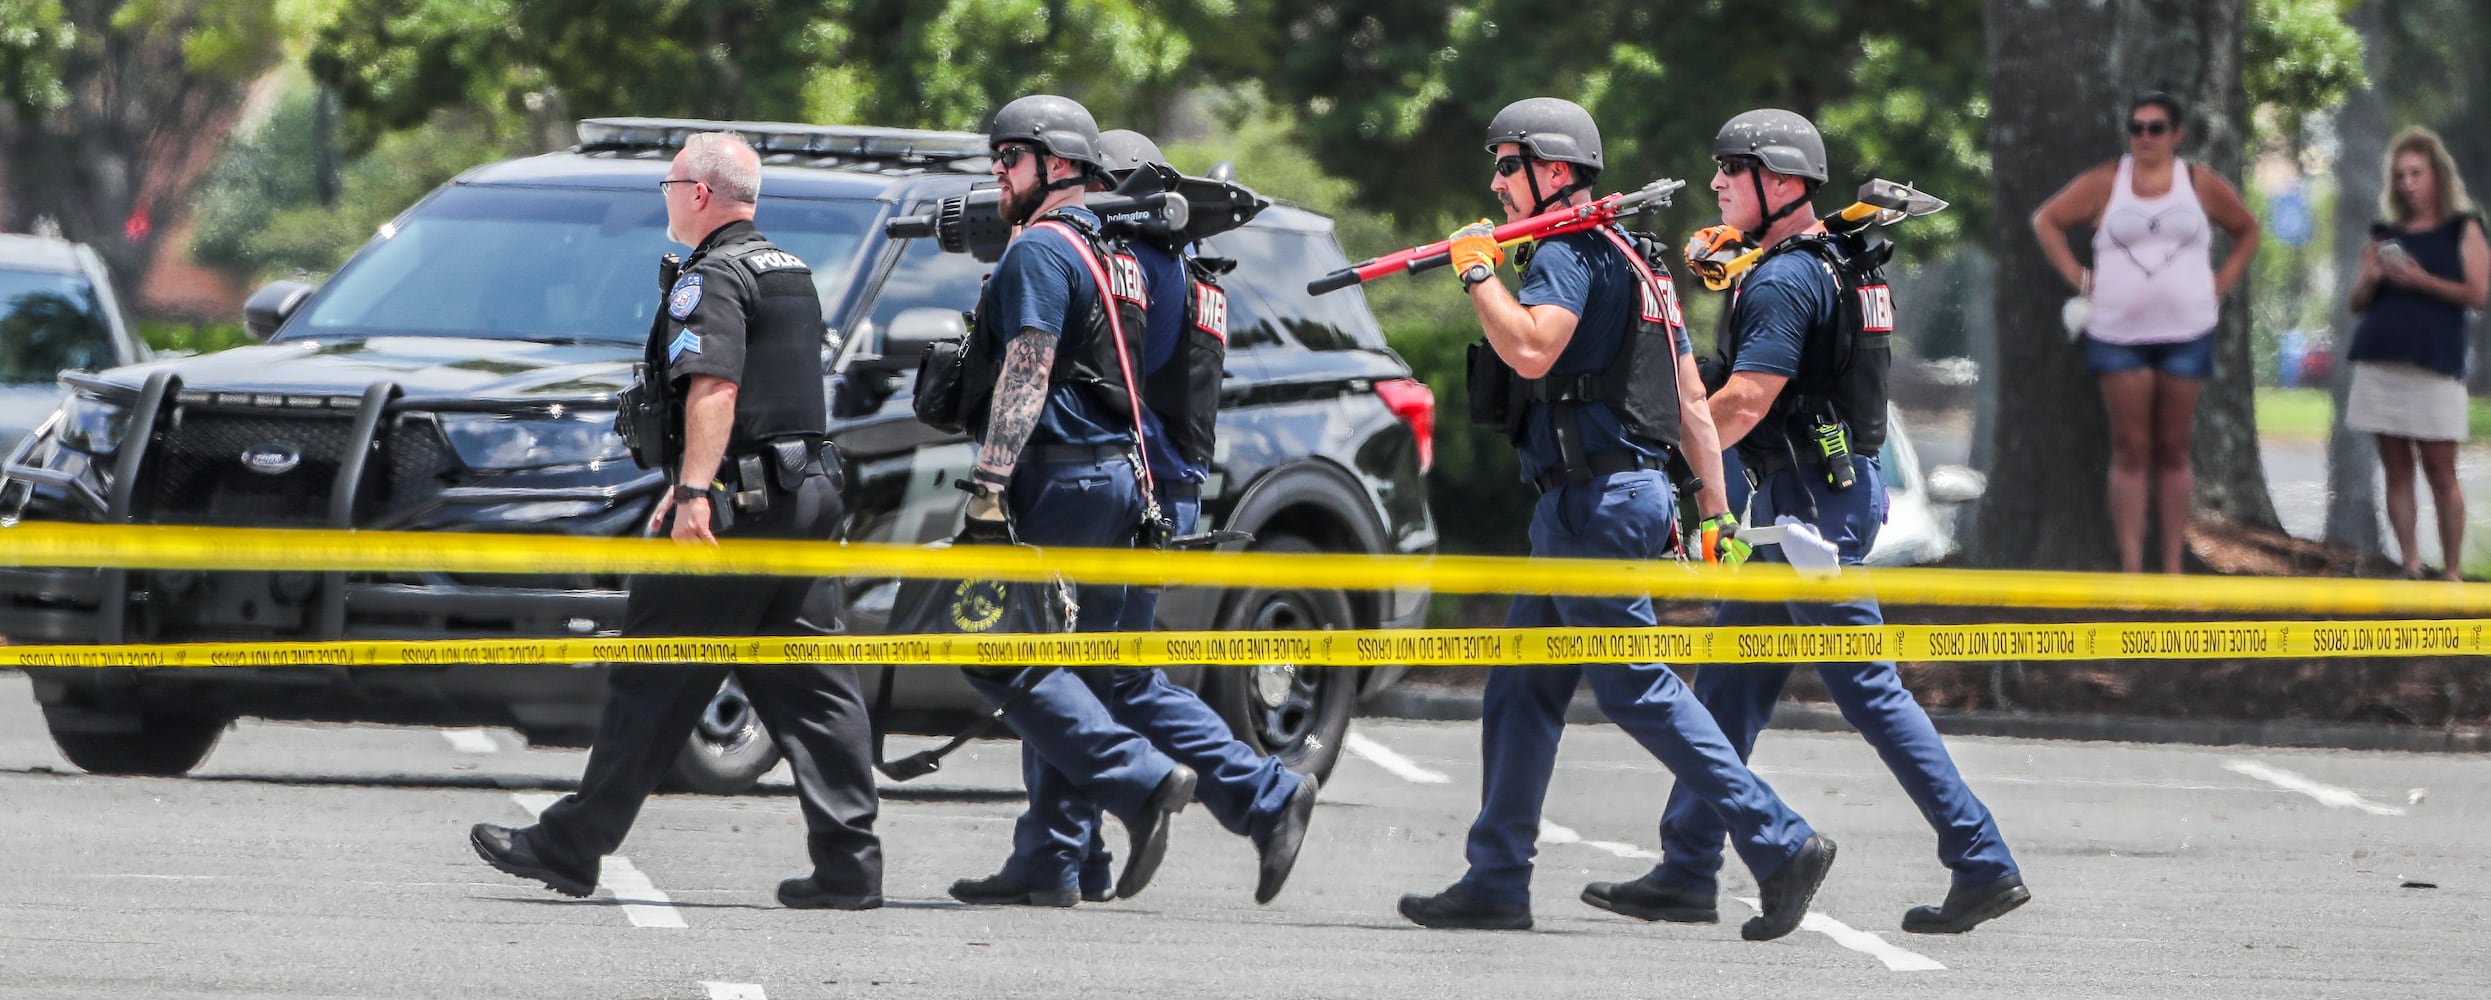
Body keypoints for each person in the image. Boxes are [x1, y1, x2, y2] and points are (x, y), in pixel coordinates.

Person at [1395, 97, 1833, 938]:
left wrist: (1476, 270)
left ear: (1553, 172)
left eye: (1507, 164)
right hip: (1608, 499)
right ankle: (1496, 878)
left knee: (1634, 685)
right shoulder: (1636, 258)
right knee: (1522, 689)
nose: (1495, 182)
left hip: (1592, 505)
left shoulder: (1561, 249)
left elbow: (1530, 348)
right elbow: (1691, 405)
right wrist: (1711, 508)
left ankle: (1778, 839)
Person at [1588, 109, 2027, 936]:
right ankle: (1687, 864)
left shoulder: (1786, 279)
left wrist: (1669, 464)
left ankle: (1981, 859)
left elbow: (1747, 399)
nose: (1715, 182)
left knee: (1866, 686)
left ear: (1780, 183)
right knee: (1730, 674)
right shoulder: (1828, 262)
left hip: (1809, 504)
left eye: (1732, 168)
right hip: (1815, 492)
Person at [469, 131, 883, 910]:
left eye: (668, 183)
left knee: (653, 673)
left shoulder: (713, 277)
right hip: (799, 497)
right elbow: (778, 399)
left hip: (736, 511)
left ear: (698, 193)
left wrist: (695, 490)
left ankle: (571, 844)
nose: (663, 196)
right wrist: (694, 480)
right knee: (814, 688)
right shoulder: (788, 269)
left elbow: (716, 390)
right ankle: (849, 864)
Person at [956, 124, 1318, 908]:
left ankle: (1213, 795)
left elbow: (1044, 360)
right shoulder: (1180, 266)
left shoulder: (1109, 260)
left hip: (1095, 479)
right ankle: (1060, 855)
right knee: (1098, 670)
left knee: (1046, 658)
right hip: (1151, 486)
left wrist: (991, 480)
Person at [2032, 92, 2261, 574]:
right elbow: (2047, 221)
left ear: (2176, 134)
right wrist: (2081, 278)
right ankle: (2133, 569)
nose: (2145, 137)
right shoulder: (2106, 183)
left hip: (2187, 331)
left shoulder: (2198, 184)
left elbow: (2247, 229)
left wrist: (2221, 283)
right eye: (2136, 128)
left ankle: (2174, 566)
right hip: (2117, 334)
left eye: (2156, 128)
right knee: (2131, 445)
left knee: (2173, 445)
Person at [2346, 127, 2491, 581]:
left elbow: (2478, 292)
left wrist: (2421, 280)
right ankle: (2410, 564)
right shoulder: (2385, 232)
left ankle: (2450, 571)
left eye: (2417, 173)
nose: (2409, 183)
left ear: (2437, 175)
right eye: (2401, 175)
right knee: (2396, 468)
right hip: (2381, 357)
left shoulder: (2462, 228)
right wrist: (2371, 277)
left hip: (2434, 363)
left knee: (2440, 468)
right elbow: (2357, 304)